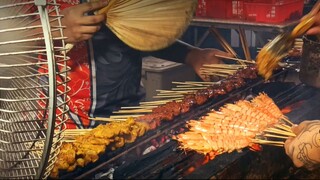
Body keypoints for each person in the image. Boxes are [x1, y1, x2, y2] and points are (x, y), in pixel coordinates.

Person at [55, 0, 231, 129]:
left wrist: (191, 55)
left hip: (130, 115)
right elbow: (26, 36)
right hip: (68, 125)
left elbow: (136, 34)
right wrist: (50, 29)